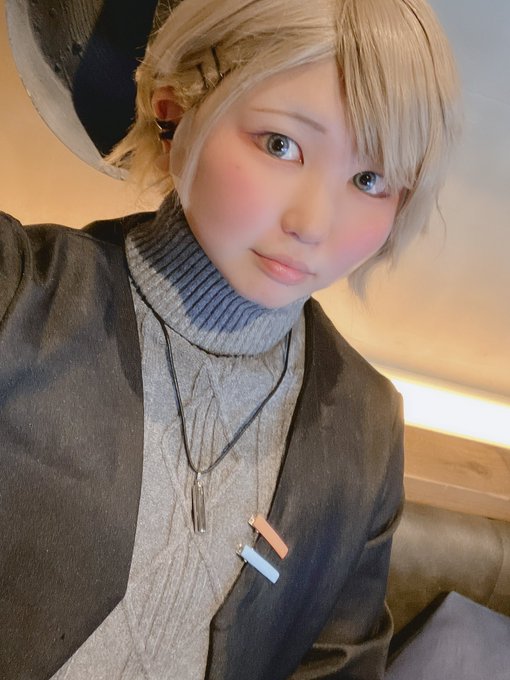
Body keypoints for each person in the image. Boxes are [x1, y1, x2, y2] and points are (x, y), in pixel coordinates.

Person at [0, 0, 460, 678]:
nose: (314, 222)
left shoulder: (364, 425)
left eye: (369, 180)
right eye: (280, 145)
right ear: (173, 112)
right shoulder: (19, 295)